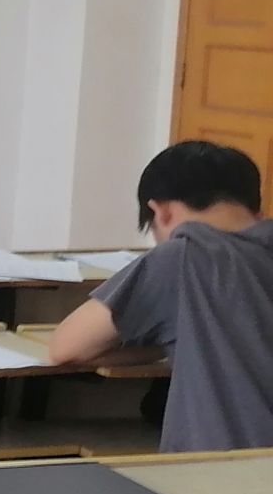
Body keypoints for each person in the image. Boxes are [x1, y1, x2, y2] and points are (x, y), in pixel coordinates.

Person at [47, 140, 273, 453]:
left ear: (160, 212)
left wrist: (159, 346)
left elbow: (65, 347)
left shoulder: (183, 256)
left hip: (221, 472)